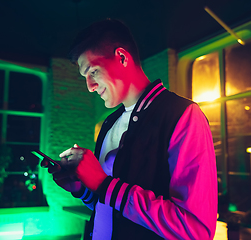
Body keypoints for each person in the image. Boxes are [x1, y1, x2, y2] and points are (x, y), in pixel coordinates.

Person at [50, 19, 218, 240]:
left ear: (121, 57)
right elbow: (110, 210)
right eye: (85, 78)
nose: (89, 87)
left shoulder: (183, 115)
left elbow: (194, 230)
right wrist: (81, 188)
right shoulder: (108, 124)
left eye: (93, 72)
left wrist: (104, 184)